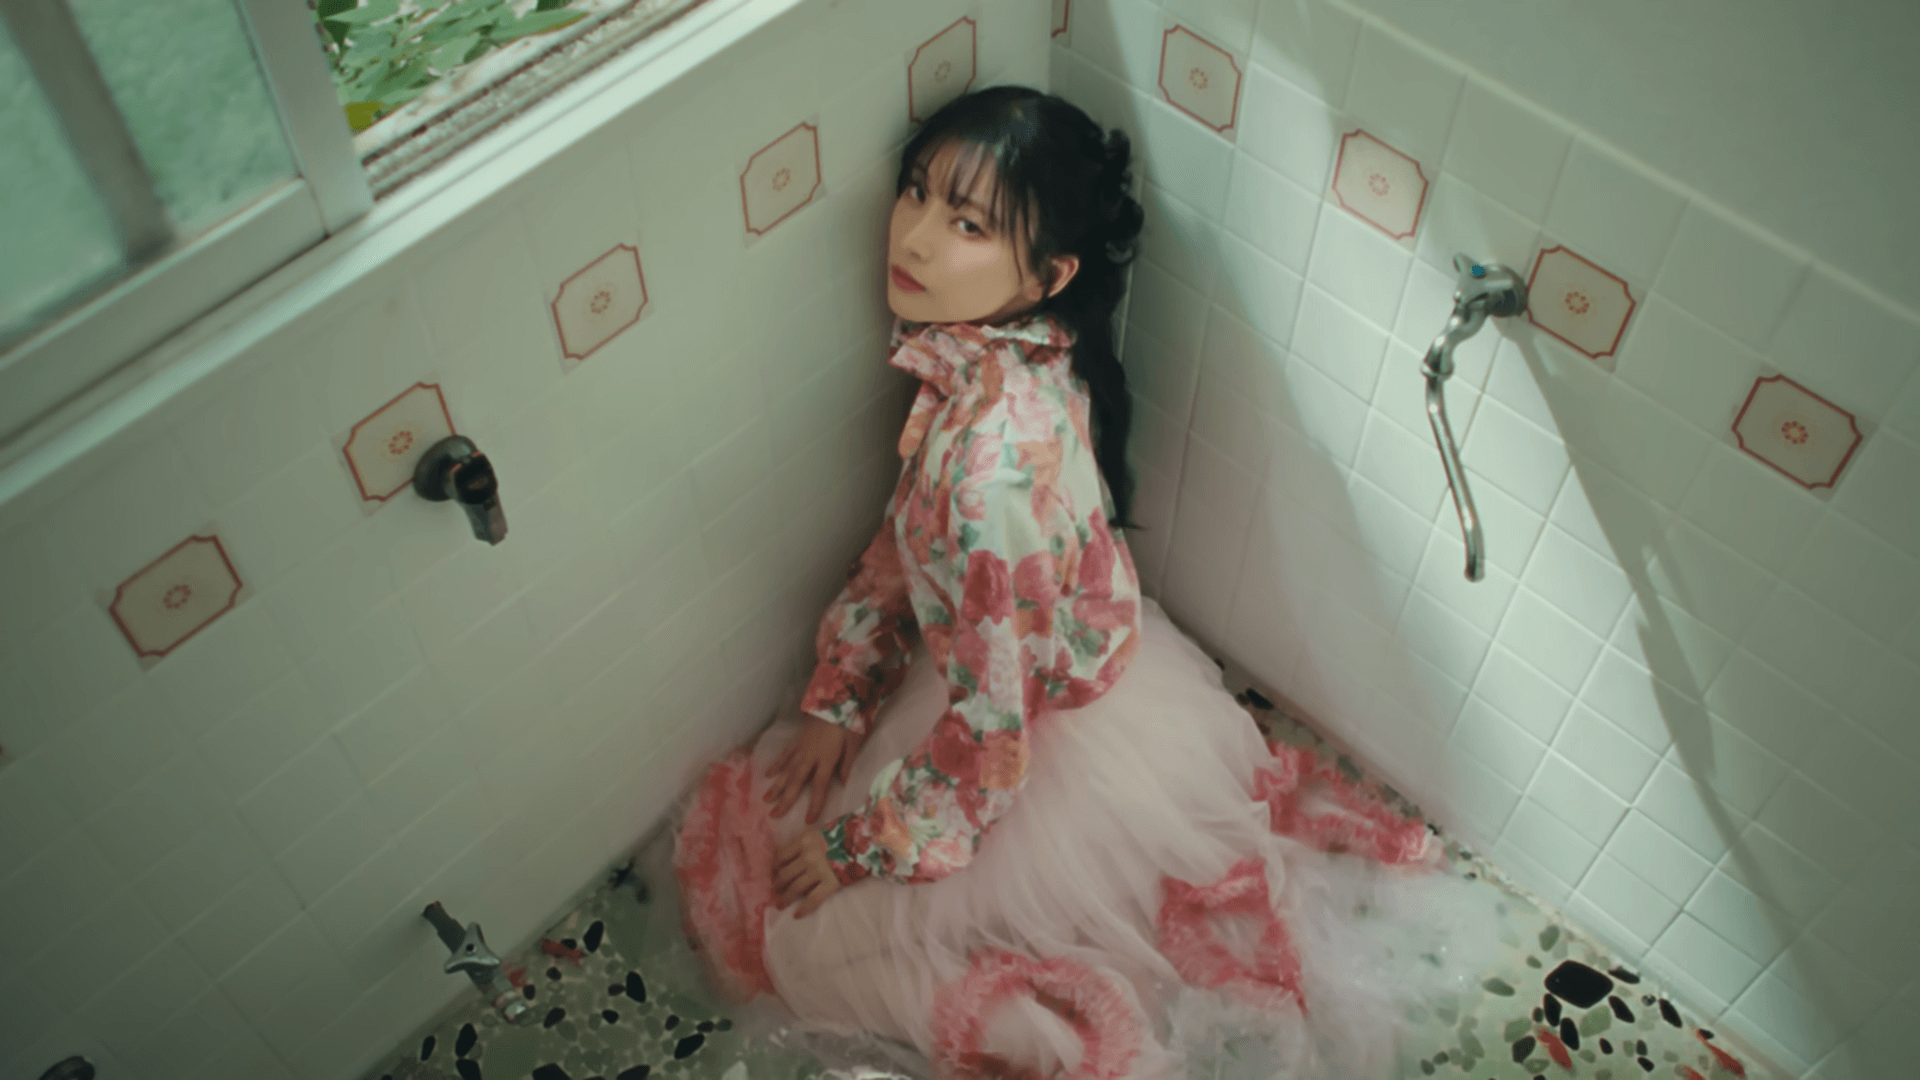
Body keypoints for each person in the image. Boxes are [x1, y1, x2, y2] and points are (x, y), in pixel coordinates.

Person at [674, 86, 1495, 1080]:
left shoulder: (993, 479)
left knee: (811, 943)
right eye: (918, 192)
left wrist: (861, 845)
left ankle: (1065, 1046)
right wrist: (841, 695)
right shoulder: (1007, 355)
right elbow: (904, 541)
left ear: (1049, 274)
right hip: (1036, 667)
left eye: (968, 224)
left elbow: (990, 743)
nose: (917, 238)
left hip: (1024, 737)